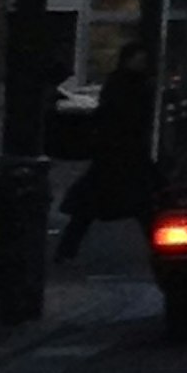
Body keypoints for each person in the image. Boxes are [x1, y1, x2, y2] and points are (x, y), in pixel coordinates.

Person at [56, 41, 157, 263]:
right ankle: (66, 250)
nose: (140, 64)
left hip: (118, 156)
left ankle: (66, 251)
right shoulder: (130, 85)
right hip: (120, 156)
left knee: (91, 208)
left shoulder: (123, 83)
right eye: (138, 59)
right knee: (143, 206)